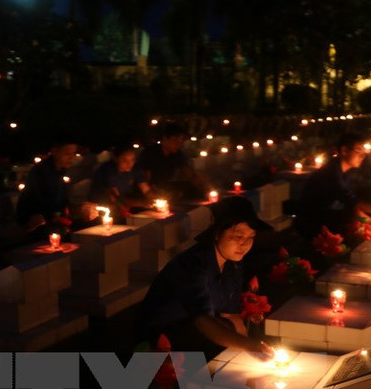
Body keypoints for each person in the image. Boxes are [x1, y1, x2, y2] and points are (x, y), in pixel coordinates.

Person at [135, 195, 276, 361]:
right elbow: (203, 321)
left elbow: (230, 316)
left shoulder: (233, 263)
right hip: (165, 336)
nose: (244, 244)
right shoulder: (193, 264)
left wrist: (248, 352)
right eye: (238, 236)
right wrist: (249, 345)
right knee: (216, 334)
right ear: (217, 233)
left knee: (228, 329)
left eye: (250, 237)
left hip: (196, 330)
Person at [291, 131, 371, 240]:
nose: (362, 156)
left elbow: (351, 204)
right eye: (358, 151)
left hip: (329, 219)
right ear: (344, 150)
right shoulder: (330, 174)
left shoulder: (343, 172)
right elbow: (351, 201)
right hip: (313, 225)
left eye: (364, 152)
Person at [15, 135, 99, 240]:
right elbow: (46, 205)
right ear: (54, 151)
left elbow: (62, 201)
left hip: (53, 218)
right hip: (35, 223)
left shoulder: (61, 170)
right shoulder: (42, 172)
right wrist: (76, 210)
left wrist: (79, 208)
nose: (71, 158)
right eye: (67, 154)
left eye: (73, 154)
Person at [136, 120, 210, 201]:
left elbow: (190, 174)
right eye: (175, 141)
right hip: (149, 189)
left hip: (164, 186)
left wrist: (203, 186)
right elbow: (144, 181)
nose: (178, 144)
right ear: (165, 139)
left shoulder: (178, 154)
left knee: (188, 188)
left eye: (180, 141)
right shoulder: (149, 153)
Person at [87, 145, 154, 219]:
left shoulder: (135, 168)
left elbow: (146, 189)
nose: (129, 164)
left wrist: (154, 199)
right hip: (102, 207)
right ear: (116, 158)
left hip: (123, 204)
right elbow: (115, 197)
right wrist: (143, 203)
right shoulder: (107, 171)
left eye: (132, 160)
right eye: (124, 160)